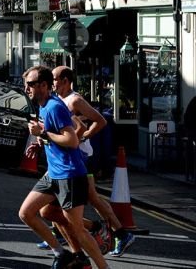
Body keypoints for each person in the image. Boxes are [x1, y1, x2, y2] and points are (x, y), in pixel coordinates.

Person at [17, 66, 108, 269]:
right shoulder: (43, 105)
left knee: (78, 230)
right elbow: (57, 134)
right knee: (29, 213)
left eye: (30, 84)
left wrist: (42, 134)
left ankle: (102, 266)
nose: (26, 88)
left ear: (43, 85)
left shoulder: (54, 107)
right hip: (54, 173)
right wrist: (40, 142)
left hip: (70, 174)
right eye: (26, 84)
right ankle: (61, 253)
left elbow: (72, 140)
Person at [51, 66, 136, 257]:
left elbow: (101, 121)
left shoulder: (76, 100)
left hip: (80, 156)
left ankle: (116, 233)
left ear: (65, 80)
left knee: (88, 197)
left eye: (55, 78)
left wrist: (84, 136)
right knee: (87, 197)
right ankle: (119, 234)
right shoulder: (59, 99)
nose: (52, 82)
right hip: (66, 156)